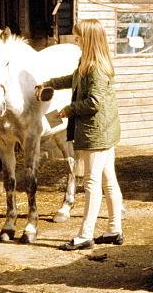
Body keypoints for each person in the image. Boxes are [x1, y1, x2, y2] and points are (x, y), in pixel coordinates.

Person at [38, 18, 123, 251]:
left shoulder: (96, 68)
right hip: (104, 130)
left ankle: (85, 235)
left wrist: (68, 110)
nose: (76, 40)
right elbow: (74, 81)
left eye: (79, 37)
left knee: (92, 183)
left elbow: (93, 103)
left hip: (96, 132)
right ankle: (114, 229)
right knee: (109, 181)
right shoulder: (88, 62)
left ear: (89, 39)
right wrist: (50, 83)